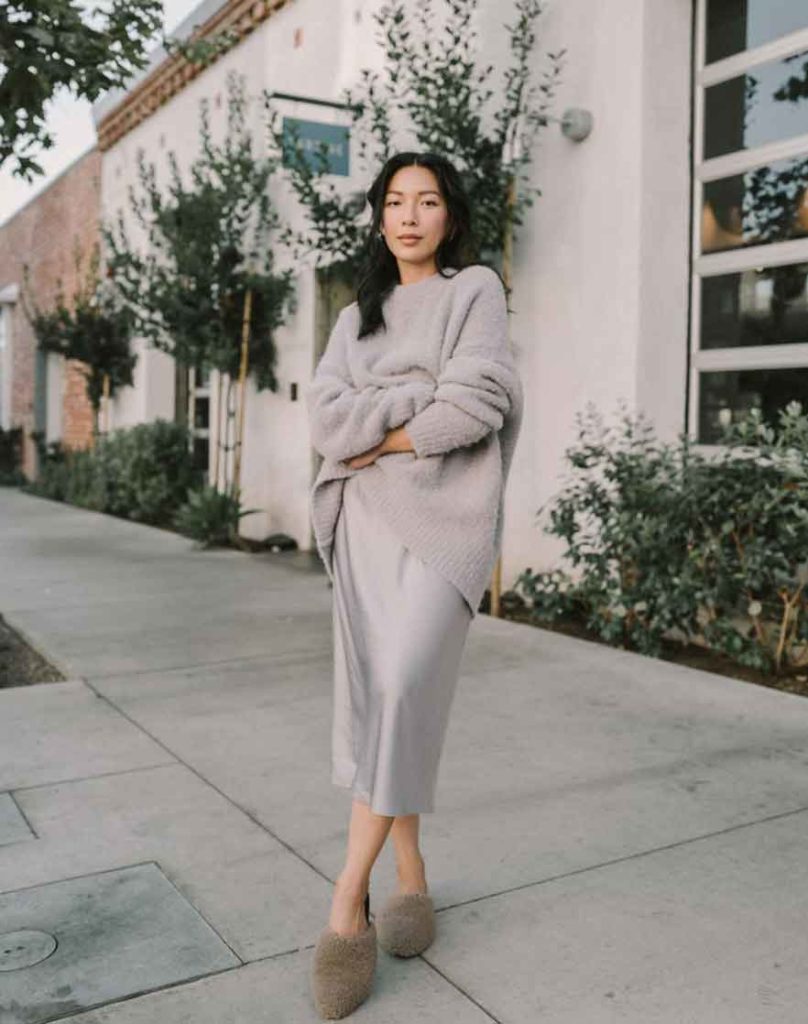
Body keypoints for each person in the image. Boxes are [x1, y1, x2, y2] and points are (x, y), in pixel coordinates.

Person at [305, 150, 524, 1019]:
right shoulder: (355, 315)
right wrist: (413, 397)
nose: (409, 216)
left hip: (448, 522)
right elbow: (326, 418)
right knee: (386, 699)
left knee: (401, 685)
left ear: (450, 216)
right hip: (363, 521)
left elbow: (477, 404)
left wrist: (384, 428)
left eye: (427, 201)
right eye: (394, 201)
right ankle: (410, 876)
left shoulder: (475, 292)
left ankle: (343, 901)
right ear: (377, 215)